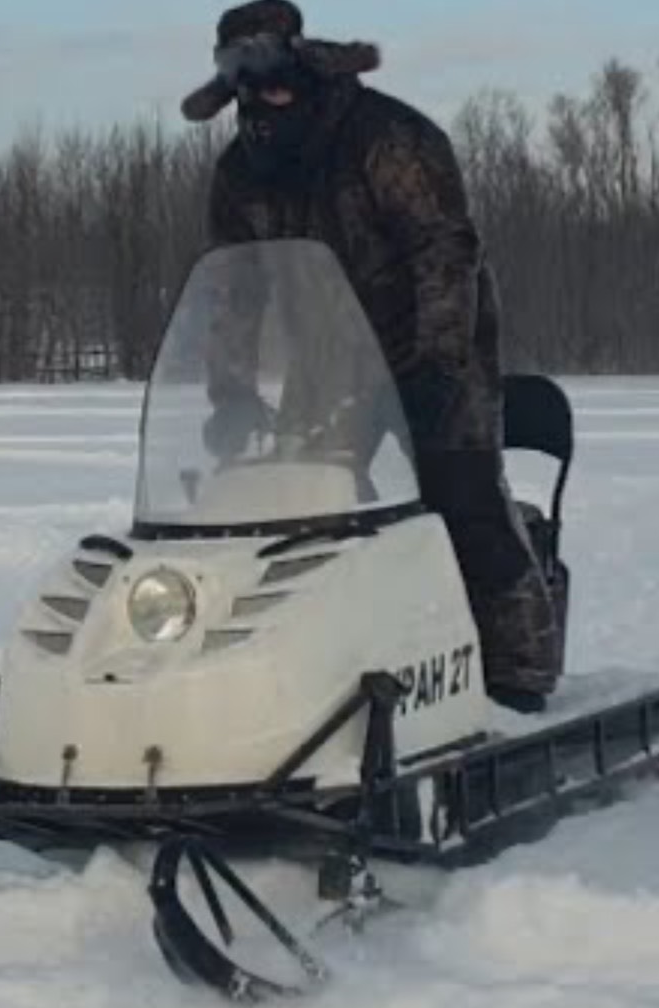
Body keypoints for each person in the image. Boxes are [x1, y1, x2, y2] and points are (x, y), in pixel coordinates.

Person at [182, 0, 562, 713]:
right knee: (298, 506)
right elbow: (234, 287)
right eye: (246, 86)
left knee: (461, 491)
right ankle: (310, 672)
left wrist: (440, 367)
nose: (265, 100)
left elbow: (444, 251)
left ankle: (518, 672)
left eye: (275, 81)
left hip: (430, 337)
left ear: (304, 69)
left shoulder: (387, 138)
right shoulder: (241, 172)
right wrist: (229, 393)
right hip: (326, 356)